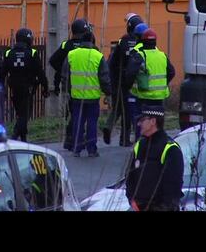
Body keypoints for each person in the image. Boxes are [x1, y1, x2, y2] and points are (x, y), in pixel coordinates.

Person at [62, 28, 111, 157]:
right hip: (93, 98)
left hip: (76, 97)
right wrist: (108, 93)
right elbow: (104, 78)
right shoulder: (98, 56)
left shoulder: (71, 55)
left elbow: (65, 76)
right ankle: (91, 149)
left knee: (77, 122)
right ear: (93, 42)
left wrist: (67, 91)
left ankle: (76, 149)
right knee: (92, 123)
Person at [49, 18, 97, 150]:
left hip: (70, 85)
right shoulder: (88, 45)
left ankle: (72, 140)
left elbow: (53, 60)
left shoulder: (67, 45)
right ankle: (74, 139)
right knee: (83, 116)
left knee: (75, 113)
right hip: (88, 86)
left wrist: (62, 72)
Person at [125, 105, 184, 211]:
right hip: (138, 207)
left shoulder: (170, 148)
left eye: (142, 120)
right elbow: (130, 176)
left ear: (153, 121)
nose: (139, 124)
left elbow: (173, 187)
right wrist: (132, 200)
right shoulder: (140, 145)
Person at [102, 13, 145, 147]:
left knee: (118, 108)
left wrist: (112, 81)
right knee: (128, 110)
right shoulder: (142, 43)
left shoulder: (123, 41)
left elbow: (112, 62)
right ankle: (124, 138)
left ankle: (109, 127)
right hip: (132, 82)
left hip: (118, 81)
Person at [0, 28, 49, 142]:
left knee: (20, 113)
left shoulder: (9, 53)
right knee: (24, 115)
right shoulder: (32, 53)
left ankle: (23, 139)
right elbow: (40, 73)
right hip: (28, 88)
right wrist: (45, 87)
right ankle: (15, 135)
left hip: (14, 88)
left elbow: (2, 73)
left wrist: (2, 89)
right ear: (28, 39)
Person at [126, 28, 175, 138]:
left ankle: (142, 145)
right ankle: (157, 145)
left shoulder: (140, 55)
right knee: (158, 123)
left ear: (142, 41)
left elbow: (130, 74)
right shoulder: (162, 55)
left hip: (145, 96)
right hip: (159, 97)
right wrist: (163, 83)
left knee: (144, 123)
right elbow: (172, 72)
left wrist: (128, 88)